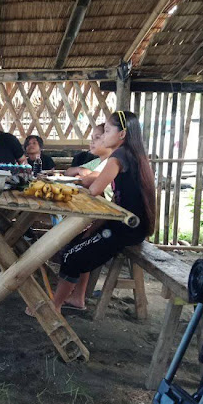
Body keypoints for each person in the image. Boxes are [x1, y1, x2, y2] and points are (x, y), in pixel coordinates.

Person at [53, 111, 155, 312]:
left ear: (122, 134)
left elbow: (95, 189)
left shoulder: (119, 156)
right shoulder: (132, 154)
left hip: (127, 228)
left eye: (107, 131)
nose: (104, 135)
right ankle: (76, 299)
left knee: (71, 256)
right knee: (79, 241)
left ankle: (53, 307)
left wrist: (81, 180)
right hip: (128, 223)